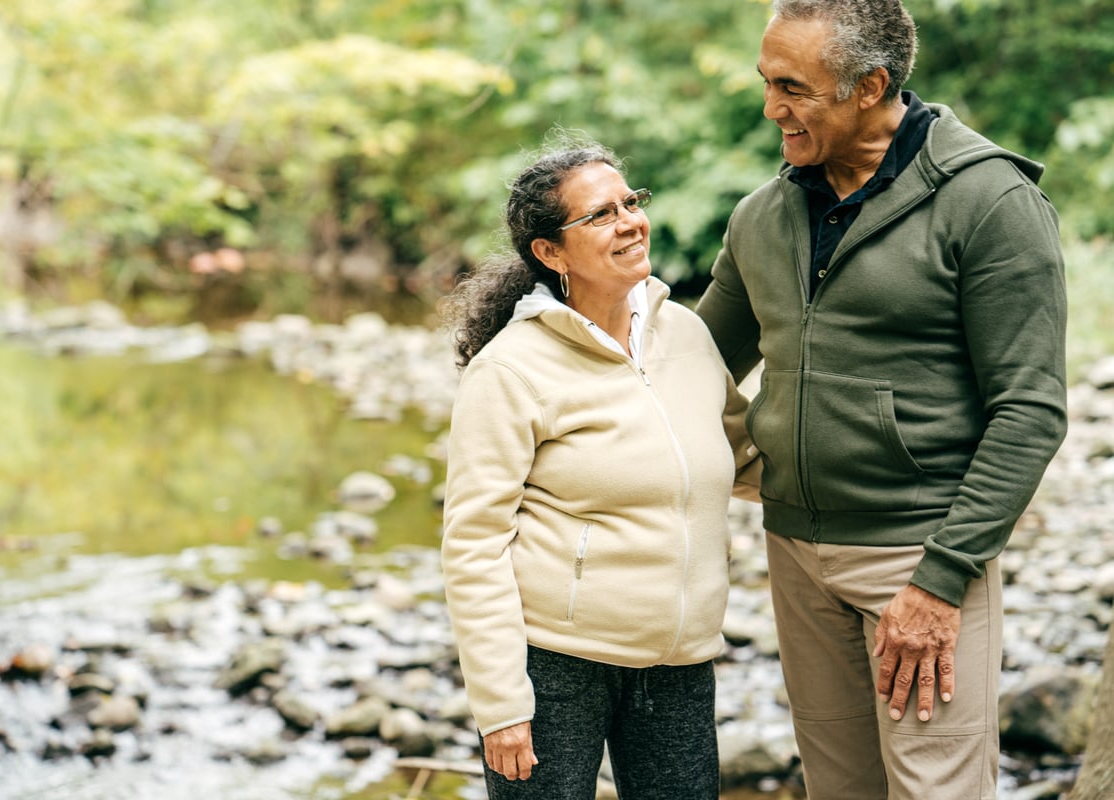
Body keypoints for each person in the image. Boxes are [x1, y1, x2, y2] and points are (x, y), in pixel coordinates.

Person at [694, 1, 1068, 798]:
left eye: (792, 87)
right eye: (766, 83)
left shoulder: (989, 203)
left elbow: (1028, 410)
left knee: (934, 790)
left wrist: (940, 580)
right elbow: (687, 364)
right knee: (838, 789)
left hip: (919, 553)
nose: (770, 109)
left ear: (869, 86)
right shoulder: (760, 216)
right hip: (794, 552)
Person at [440, 138, 761, 799]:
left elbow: (747, 461)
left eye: (630, 202)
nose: (628, 222)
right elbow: (473, 546)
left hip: (678, 662)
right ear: (549, 253)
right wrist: (501, 704)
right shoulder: (509, 370)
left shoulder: (688, 336)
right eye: (600, 215)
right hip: (554, 666)